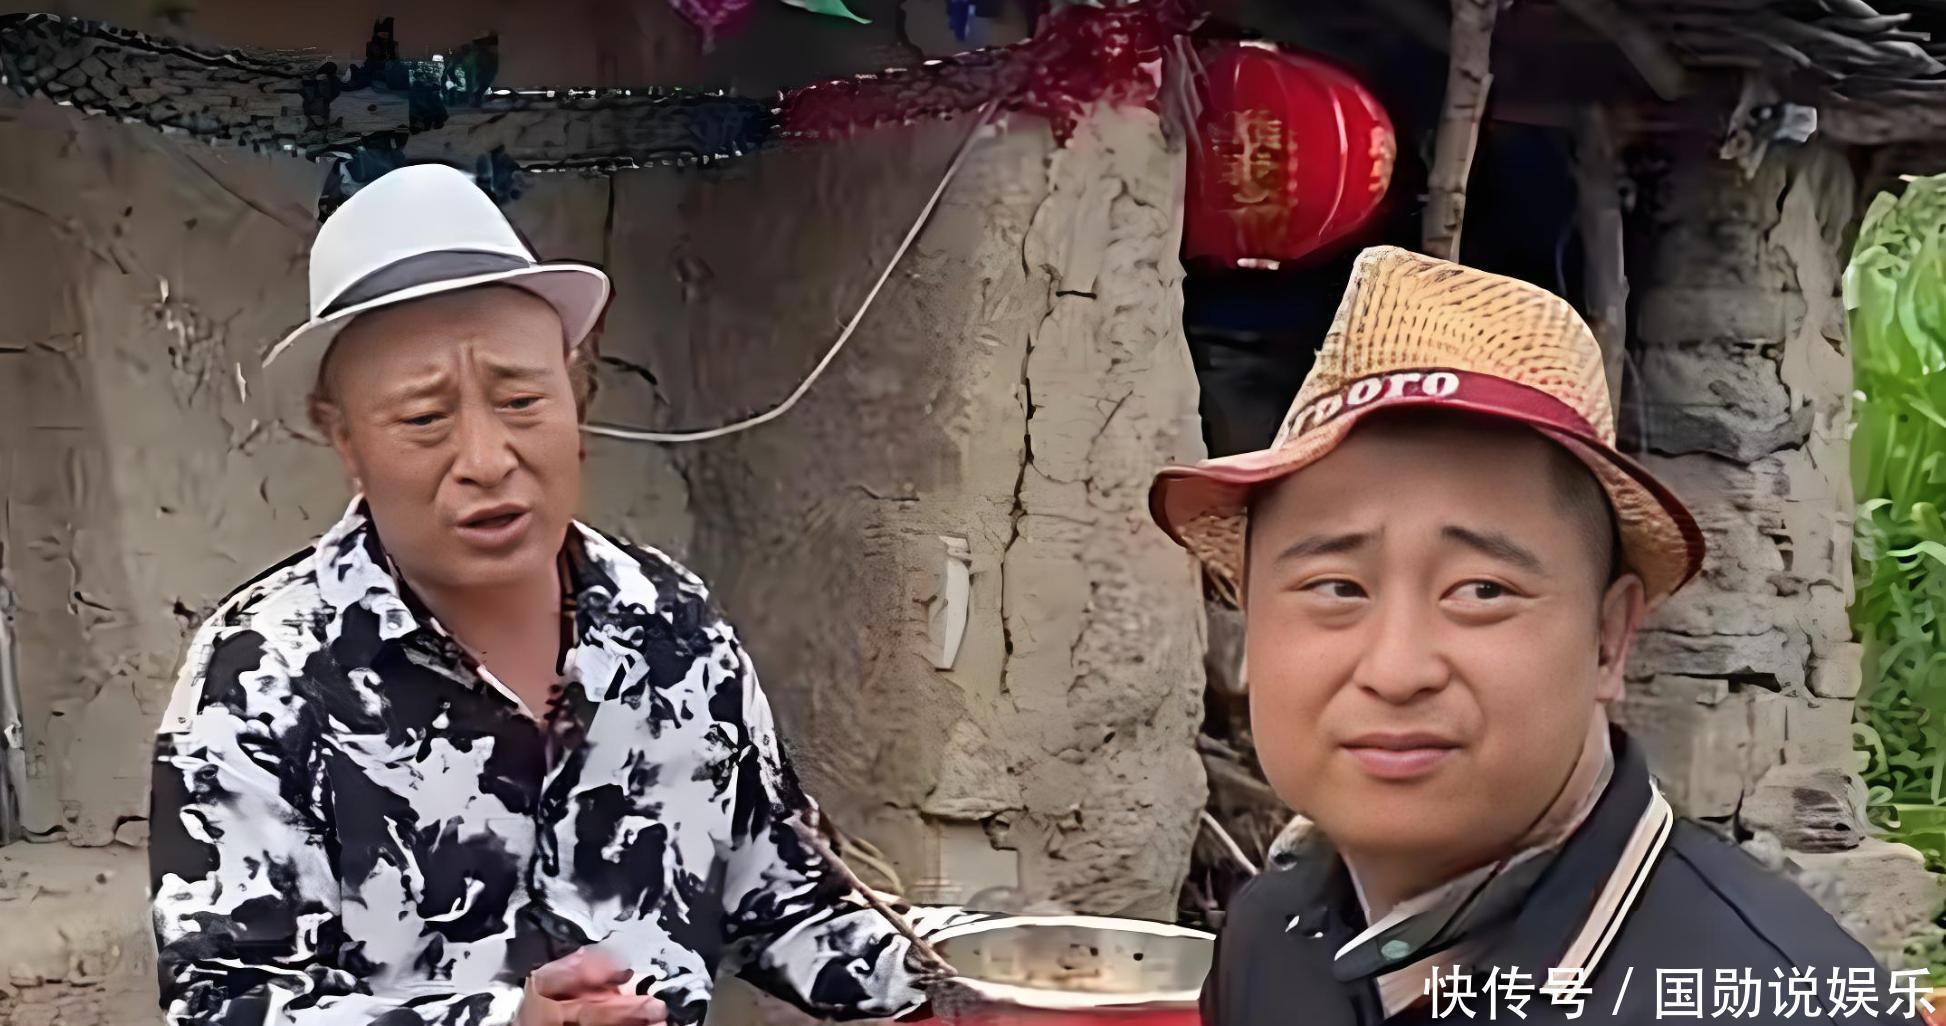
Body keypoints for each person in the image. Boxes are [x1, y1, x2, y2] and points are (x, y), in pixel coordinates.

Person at [149, 164, 989, 1026]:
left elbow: (786, 898)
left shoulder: (669, 625)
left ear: (575, 393)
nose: (486, 460)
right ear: (346, 440)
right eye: (425, 419)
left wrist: (985, 979)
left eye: (521, 400)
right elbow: (225, 1004)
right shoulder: (263, 674)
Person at [1149, 246, 1926, 1026]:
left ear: (1608, 639)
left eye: (1481, 591)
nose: (1396, 669)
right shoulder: (1274, 939)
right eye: (1337, 588)